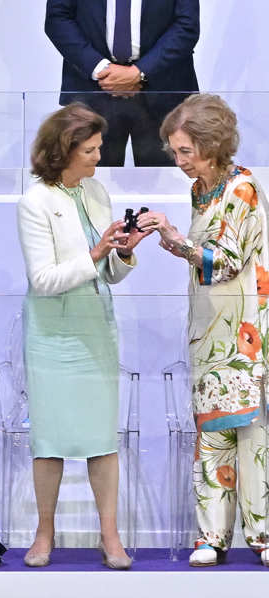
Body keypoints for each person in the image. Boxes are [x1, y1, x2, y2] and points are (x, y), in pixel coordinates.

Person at [138, 94, 269, 568]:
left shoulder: (242, 188)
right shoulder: (201, 189)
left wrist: (177, 241)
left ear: (212, 145)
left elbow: (226, 262)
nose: (178, 161)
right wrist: (179, 243)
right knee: (212, 434)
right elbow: (204, 259)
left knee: (252, 433)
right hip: (208, 329)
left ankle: (262, 535)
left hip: (244, 329)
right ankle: (211, 536)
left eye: (185, 152)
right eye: (175, 152)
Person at [16, 102, 149, 569]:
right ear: (64, 150)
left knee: (101, 439)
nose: (98, 156)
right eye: (90, 150)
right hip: (53, 335)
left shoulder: (96, 192)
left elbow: (106, 274)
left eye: (98, 148)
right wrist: (96, 252)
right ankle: (44, 532)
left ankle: (109, 536)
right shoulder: (36, 201)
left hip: (96, 329)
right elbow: (44, 279)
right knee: (49, 440)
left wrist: (123, 252)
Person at [45, 0, 199, 166]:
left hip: (164, 91)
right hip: (91, 93)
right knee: (86, 184)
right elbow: (57, 19)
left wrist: (140, 71)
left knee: (166, 185)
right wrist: (101, 69)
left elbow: (186, 25)